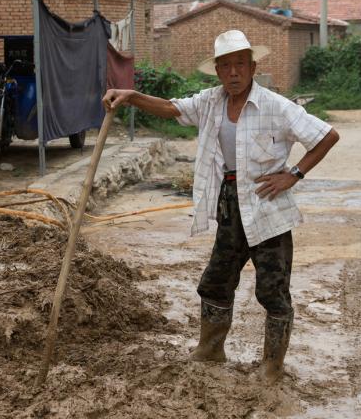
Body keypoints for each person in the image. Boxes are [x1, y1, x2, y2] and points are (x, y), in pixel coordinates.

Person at [102, 29, 339, 384]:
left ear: (252, 67)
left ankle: (272, 368)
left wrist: (293, 174)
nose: (233, 73)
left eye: (239, 65)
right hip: (230, 204)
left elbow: (327, 136)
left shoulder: (276, 106)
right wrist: (132, 96)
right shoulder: (211, 102)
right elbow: (172, 108)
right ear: (216, 71)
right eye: (225, 66)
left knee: (272, 290)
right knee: (215, 281)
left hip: (267, 207)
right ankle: (211, 350)